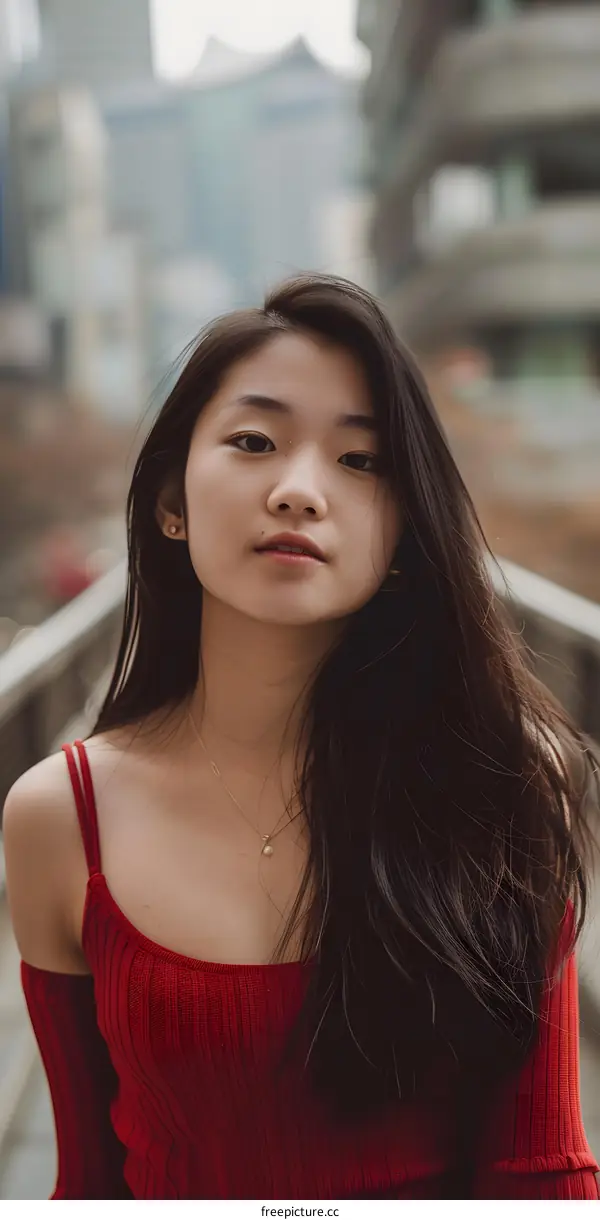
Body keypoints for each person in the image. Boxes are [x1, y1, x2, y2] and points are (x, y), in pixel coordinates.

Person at [3, 274, 600, 1201]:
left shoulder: (503, 781)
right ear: (170, 500)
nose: (298, 492)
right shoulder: (61, 818)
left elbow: (543, 1173)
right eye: (254, 442)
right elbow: (88, 1187)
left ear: (404, 532)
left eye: (361, 461)